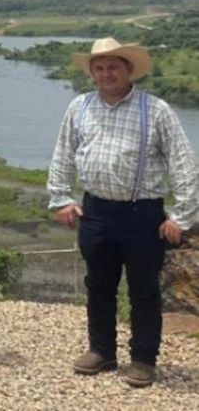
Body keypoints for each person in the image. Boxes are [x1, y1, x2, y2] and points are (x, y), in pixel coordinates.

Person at [48, 37, 198, 388]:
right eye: (98, 67)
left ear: (129, 69)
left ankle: (144, 359)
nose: (106, 73)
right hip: (95, 211)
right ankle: (102, 350)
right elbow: (62, 155)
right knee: (98, 285)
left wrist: (182, 217)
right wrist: (61, 198)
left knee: (144, 290)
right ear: (91, 72)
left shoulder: (156, 109)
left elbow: (183, 164)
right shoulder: (79, 107)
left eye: (113, 66)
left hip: (142, 214)